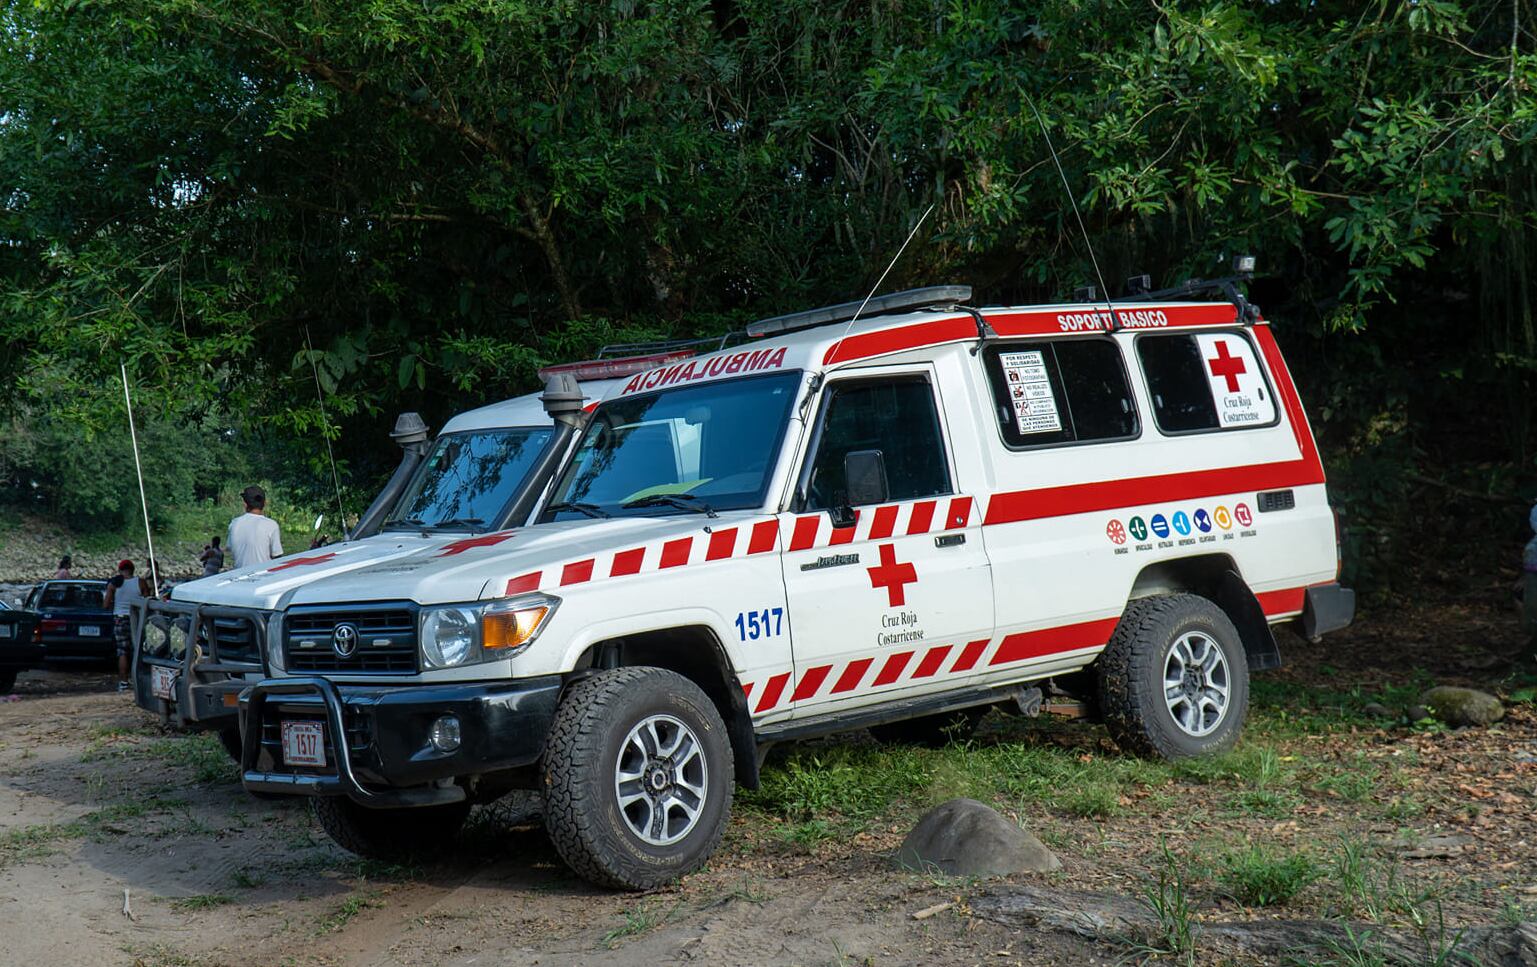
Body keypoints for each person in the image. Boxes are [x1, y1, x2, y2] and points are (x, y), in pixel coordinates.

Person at [103, 559, 150, 693]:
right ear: (133, 570)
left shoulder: (114, 584)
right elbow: (147, 600)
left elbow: (105, 605)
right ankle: (139, 679)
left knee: (122, 651)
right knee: (138, 650)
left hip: (120, 619)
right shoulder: (140, 582)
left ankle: (123, 682)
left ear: (120, 570)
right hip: (136, 619)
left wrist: (115, 603)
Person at [227, 485, 282, 569]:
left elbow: (230, 548)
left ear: (245, 504)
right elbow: (277, 556)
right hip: (264, 575)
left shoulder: (234, 523)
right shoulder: (271, 525)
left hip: (239, 575)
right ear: (265, 503)